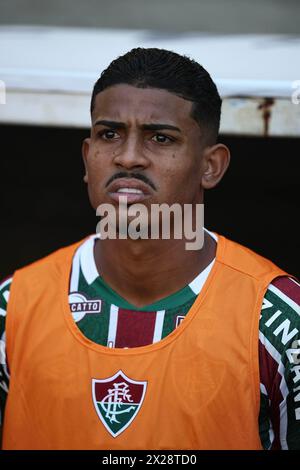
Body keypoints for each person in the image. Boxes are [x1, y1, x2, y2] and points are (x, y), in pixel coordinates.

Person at [0, 48, 299, 450]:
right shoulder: (13, 308)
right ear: (88, 158)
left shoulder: (279, 322)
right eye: (110, 134)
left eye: (160, 137)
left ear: (211, 166)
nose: (128, 157)